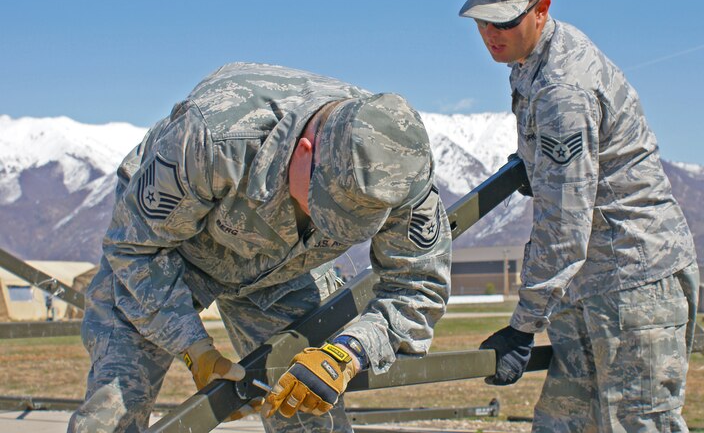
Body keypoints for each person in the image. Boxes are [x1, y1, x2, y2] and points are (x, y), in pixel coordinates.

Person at [68, 62, 451, 433]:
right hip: (171, 253)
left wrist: (348, 352)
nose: (324, 227)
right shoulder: (213, 134)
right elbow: (137, 250)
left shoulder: (401, 169)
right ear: (304, 151)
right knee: (114, 409)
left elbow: (416, 287)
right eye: (324, 210)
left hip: (287, 271)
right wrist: (193, 347)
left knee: (306, 408)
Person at [459, 0, 700, 432]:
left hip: (630, 285)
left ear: (542, 9)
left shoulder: (562, 89)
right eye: (481, 20)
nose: (490, 34)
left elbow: (566, 223)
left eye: (503, 21)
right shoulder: (533, 63)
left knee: (639, 424)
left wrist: (524, 326)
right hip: (589, 288)